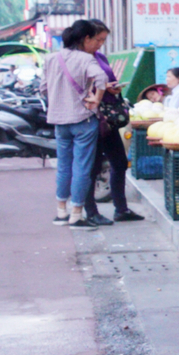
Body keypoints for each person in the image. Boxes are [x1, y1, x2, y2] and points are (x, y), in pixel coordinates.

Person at [45, 18, 106, 227]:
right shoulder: (86, 59)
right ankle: (76, 213)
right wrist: (96, 99)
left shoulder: (51, 58)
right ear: (86, 38)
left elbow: (43, 89)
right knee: (81, 167)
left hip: (59, 121)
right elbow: (102, 79)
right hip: (83, 119)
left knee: (64, 166)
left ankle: (61, 212)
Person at [81, 21, 142, 224]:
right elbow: (79, 88)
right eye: (98, 40)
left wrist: (111, 88)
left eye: (103, 40)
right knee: (94, 165)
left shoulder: (100, 57)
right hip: (92, 118)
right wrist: (102, 88)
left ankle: (121, 209)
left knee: (119, 162)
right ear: (86, 38)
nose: (100, 44)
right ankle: (91, 212)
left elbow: (106, 80)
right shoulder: (80, 59)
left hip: (109, 118)